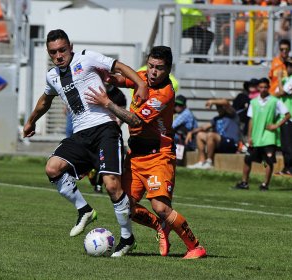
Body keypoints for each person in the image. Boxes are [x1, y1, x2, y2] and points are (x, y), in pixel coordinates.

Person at [23, 29, 149, 257]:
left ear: (70, 46)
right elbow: (45, 100)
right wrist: (31, 121)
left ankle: (127, 238)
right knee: (52, 168)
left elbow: (119, 66)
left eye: (62, 50)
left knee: (112, 186)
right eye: (53, 52)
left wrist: (140, 83)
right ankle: (85, 210)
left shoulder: (86, 57)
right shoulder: (52, 76)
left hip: (105, 129)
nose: (59, 55)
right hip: (80, 135)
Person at [86, 46, 207, 259]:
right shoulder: (143, 77)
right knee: (126, 205)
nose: (153, 72)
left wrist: (107, 103)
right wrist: (105, 76)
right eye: (150, 66)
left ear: (168, 69)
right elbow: (123, 80)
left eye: (159, 68)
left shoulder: (164, 94)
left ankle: (195, 247)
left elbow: (135, 120)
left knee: (160, 207)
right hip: (135, 155)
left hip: (159, 155)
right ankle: (160, 227)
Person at [234, 78, 290, 190]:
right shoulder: (253, 102)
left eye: (265, 87)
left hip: (269, 136)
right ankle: (244, 182)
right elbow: (251, 120)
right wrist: (249, 136)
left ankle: (265, 184)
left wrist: (276, 125)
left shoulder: (275, 101)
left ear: (268, 88)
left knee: (268, 161)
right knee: (248, 159)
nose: (263, 89)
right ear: (258, 88)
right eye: (261, 87)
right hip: (256, 137)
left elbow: (287, 114)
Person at [186, 99, 240, 169]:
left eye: (220, 107)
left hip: (231, 143)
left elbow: (226, 102)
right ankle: (202, 161)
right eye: (217, 107)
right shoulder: (216, 119)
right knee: (200, 135)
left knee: (211, 135)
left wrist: (212, 102)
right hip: (220, 143)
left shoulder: (232, 115)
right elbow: (204, 127)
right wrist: (191, 132)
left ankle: (209, 162)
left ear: (224, 107)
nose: (219, 109)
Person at [276, 59, 292, 176]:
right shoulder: (286, 80)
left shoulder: (289, 80)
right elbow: (276, 93)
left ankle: (290, 168)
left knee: (288, 145)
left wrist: (278, 79)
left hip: (289, 117)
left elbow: (281, 93)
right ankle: (287, 167)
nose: (288, 68)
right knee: (285, 145)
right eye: (288, 65)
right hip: (283, 117)